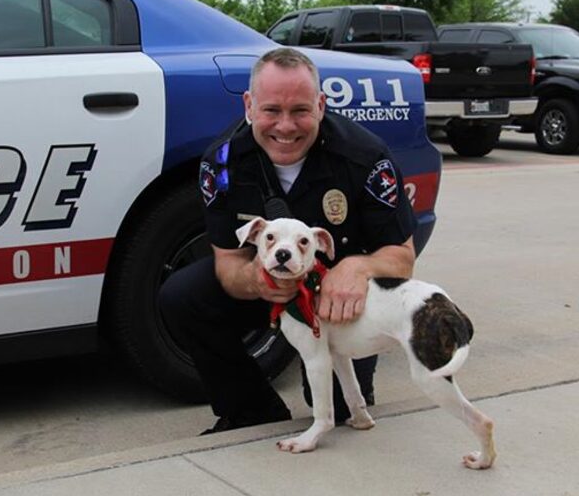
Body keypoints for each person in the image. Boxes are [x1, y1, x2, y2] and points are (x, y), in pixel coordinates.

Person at [159, 47, 416, 434]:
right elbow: (227, 260)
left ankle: (344, 398)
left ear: (321, 105)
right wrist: (256, 280)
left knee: (343, 414)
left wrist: (357, 266)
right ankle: (250, 409)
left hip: (338, 303)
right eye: (271, 110)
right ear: (249, 106)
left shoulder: (365, 157)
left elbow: (402, 258)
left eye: (299, 110)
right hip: (267, 291)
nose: (285, 126)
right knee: (181, 296)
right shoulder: (222, 163)